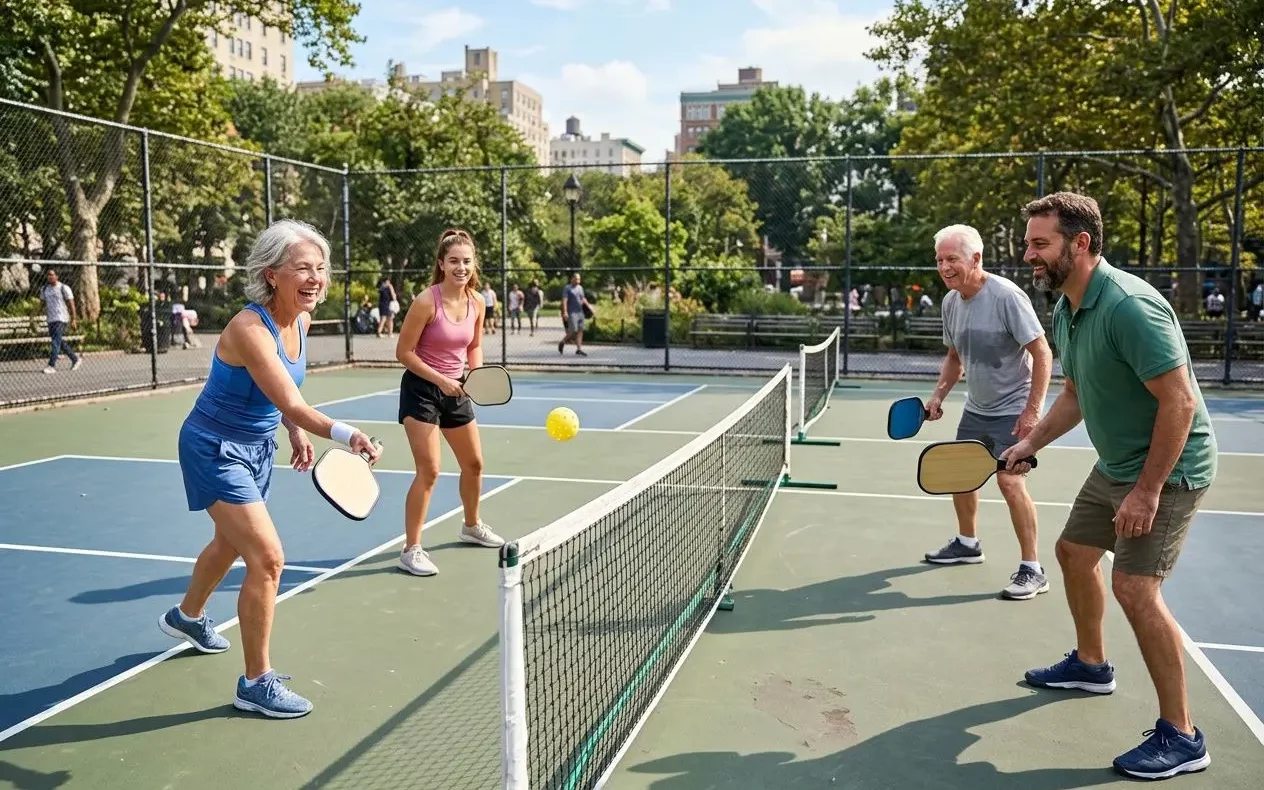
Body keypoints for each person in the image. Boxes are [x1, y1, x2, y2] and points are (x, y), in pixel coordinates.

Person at [1001, 191, 1217, 780]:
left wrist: (1146, 492)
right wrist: (1029, 444)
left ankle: (1183, 736)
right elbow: (1074, 394)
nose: (1030, 255)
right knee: (1073, 553)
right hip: (1118, 463)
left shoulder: (1129, 307)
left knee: (1136, 589)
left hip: (1168, 470)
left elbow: (1179, 402)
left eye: (1040, 244)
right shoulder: (1068, 308)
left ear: (1082, 244)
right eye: (1029, 243)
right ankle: (1092, 665)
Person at [159, 219, 382, 719]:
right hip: (213, 446)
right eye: (302, 268)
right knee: (268, 557)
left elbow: (281, 396)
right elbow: (293, 400)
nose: (315, 278)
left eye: (321, 268)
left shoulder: (298, 322)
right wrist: (345, 434)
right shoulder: (248, 328)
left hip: (257, 447)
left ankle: (185, 616)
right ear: (271, 274)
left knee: (229, 544)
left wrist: (295, 431)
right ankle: (255, 682)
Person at [922, 224, 1053, 601]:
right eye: (940, 260)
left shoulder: (1006, 297)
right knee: (962, 476)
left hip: (1014, 408)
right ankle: (967, 543)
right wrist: (938, 397)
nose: (944, 267)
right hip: (976, 408)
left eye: (952, 259)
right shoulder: (950, 302)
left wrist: (1033, 412)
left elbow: (1042, 353)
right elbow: (953, 357)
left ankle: (1033, 569)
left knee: (1010, 482)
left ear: (976, 259)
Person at [394, 228, 505, 577]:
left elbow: (473, 345)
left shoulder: (478, 302)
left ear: (474, 266)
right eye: (454, 261)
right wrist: (442, 380)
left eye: (466, 261)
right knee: (430, 471)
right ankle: (411, 548)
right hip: (422, 390)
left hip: (457, 389)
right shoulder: (427, 301)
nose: (461, 267)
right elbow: (404, 352)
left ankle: (471, 525)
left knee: (474, 464)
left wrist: (476, 375)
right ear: (441, 264)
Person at [39, 268, 81, 374]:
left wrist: (74, 319)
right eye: (48, 275)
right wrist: (34, 315)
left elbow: (71, 304)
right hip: (51, 319)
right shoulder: (45, 289)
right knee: (59, 341)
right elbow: (41, 304)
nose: (50, 276)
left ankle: (51, 365)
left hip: (61, 318)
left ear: (57, 276)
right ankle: (75, 359)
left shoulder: (64, 288)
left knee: (55, 342)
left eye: (52, 275)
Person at [558, 272, 592, 357]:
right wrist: (565, 312)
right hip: (572, 312)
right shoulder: (567, 288)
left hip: (580, 312)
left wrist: (590, 307)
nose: (578, 281)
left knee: (580, 330)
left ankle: (579, 349)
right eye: (576, 279)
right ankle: (562, 341)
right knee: (573, 330)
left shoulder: (580, 288)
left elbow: (583, 299)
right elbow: (564, 301)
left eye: (579, 279)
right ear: (572, 279)